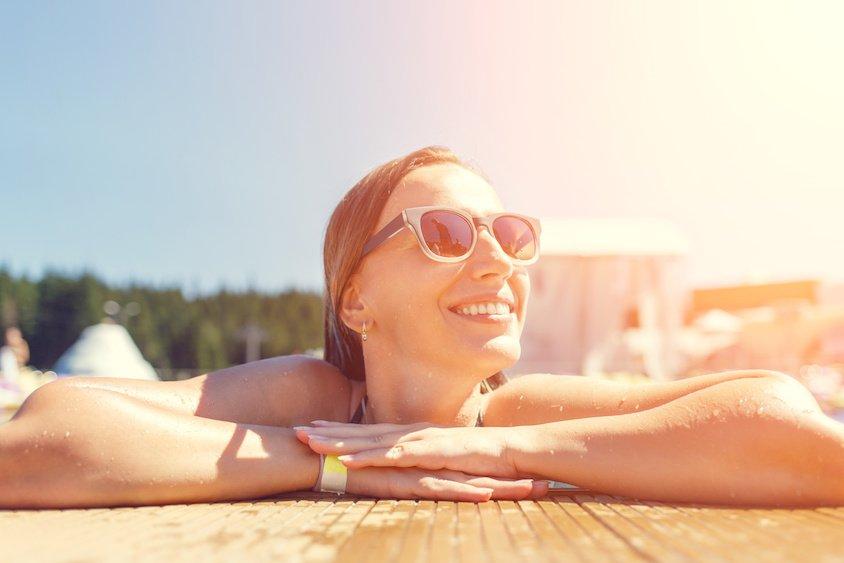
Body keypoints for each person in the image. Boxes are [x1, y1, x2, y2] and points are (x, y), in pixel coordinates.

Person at [1, 146, 842, 509]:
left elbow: (787, 426)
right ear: (355, 300)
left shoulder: (509, 412)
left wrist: (505, 451)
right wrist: (334, 462)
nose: (500, 262)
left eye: (512, 235)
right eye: (444, 232)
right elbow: (45, 434)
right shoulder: (321, 395)